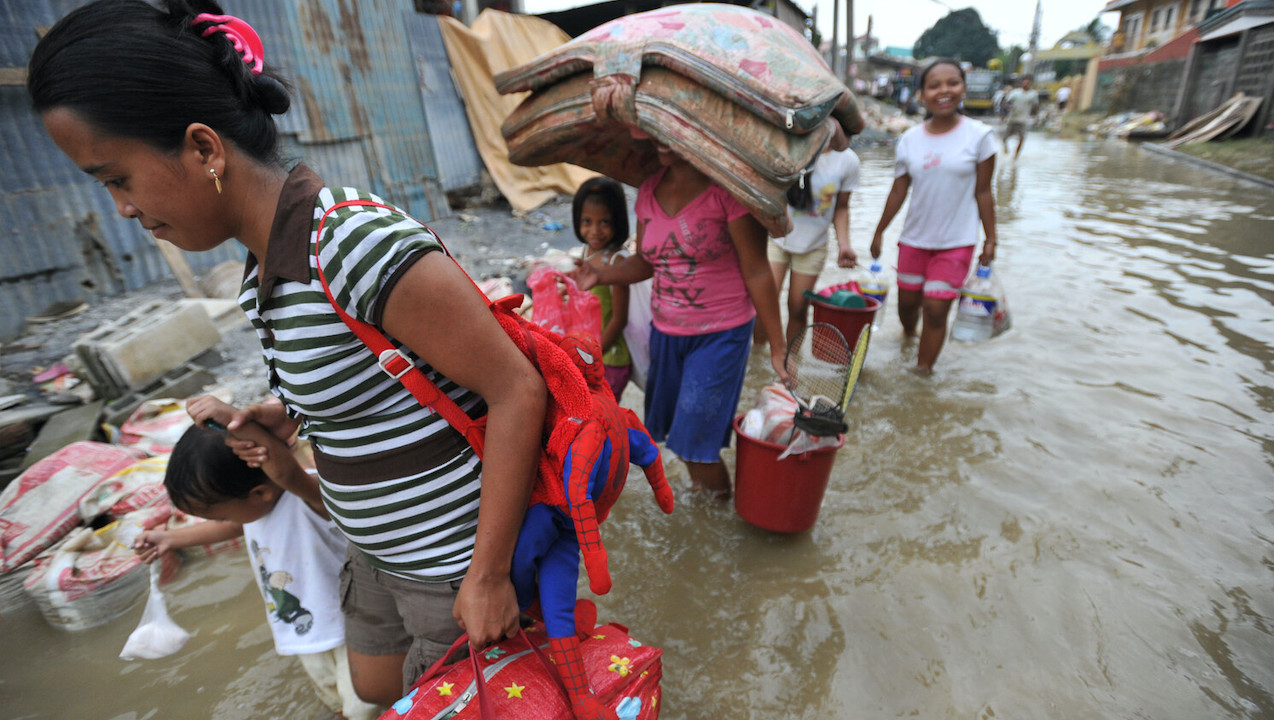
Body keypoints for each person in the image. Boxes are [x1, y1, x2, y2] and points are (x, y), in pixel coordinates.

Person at [29, 0, 546, 706]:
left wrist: (487, 577)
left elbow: (517, 389)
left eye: (116, 177)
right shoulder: (262, 269)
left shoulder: (351, 242)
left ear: (205, 149)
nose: (121, 207)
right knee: (372, 690)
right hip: (373, 552)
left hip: (449, 562)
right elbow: (375, 376)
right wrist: (288, 411)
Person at [134, 397, 380, 720]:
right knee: (336, 705)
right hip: (305, 634)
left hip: (351, 632)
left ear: (259, 493)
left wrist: (240, 424)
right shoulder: (256, 511)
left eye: (218, 514)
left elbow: (286, 472)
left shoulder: (310, 495)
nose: (222, 522)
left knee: (366, 708)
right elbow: (230, 527)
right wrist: (170, 538)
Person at [573, 129, 788, 499]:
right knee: (674, 435)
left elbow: (757, 271)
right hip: (667, 333)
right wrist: (601, 274)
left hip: (722, 333)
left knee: (697, 446)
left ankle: (719, 526)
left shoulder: (728, 190)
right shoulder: (648, 190)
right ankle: (704, 513)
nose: (661, 140)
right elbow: (646, 262)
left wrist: (778, 346)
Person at [870, 58, 998, 376]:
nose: (944, 91)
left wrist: (991, 238)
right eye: (934, 85)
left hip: (957, 241)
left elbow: (984, 192)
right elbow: (898, 190)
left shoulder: (980, 137)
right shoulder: (910, 139)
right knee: (907, 307)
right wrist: (879, 231)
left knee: (936, 309)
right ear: (923, 94)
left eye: (952, 83)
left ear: (963, 88)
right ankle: (909, 338)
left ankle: (921, 375)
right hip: (914, 239)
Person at [766, 133, 861, 348]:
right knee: (766, 302)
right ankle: (758, 356)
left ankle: (791, 361)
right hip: (776, 238)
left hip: (813, 244)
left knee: (799, 307)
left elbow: (842, 207)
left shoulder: (847, 160)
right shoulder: (786, 147)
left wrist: (844, 244)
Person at [572, 177, 632, 400]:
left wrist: (594, 354)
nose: (594, 230)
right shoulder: (587, 252)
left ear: (618, 221)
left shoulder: (617, 263)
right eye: (587, 221)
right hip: (591, 354)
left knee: (603, 417)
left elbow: (619, 319)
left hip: (611, 360)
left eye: (604, 222)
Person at [1003, 75, 1039, 159]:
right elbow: (1006, 103)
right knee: (1004, 138)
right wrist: (1010, 107)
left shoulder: (1033, 94)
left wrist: (1036, 117)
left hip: (1023, 120)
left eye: (1027, 83)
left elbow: (1036, 106)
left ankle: (1015, 157)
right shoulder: (1015, 93)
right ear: (1021, 83)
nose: (1025, 84)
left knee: (1022, 138)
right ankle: (1005, 149)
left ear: (1030, 83)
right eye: (1024, 82)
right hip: (1012, 118)